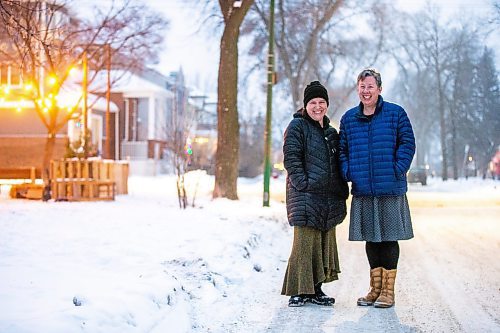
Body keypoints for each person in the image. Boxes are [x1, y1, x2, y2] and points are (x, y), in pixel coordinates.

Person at [338, 68, 416, 308]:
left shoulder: (396, 114)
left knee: (389, 239)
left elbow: (408, 143)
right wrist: (348, 171)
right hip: (363, 189)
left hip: (390, 188)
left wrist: (398, 168)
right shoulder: (349, 119)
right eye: (362, 87)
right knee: (371, 240)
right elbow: (342, 151)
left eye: (370, 86)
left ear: (379, 89)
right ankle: (375, 289)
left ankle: (388, 292)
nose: (365, 91)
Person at [281, 81, 349, 307]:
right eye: (313, 102)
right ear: (305, 105)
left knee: (321, 243)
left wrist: (341, 188)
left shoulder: (331, 132)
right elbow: (292, 158)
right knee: (304, 244)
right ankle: (298, 291)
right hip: (305, 194)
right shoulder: (297, 127)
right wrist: (303, 183)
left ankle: (316, 289)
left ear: (327, 105)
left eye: (321, 102)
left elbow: (337, 162)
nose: (317, 107)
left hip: (327, 197)